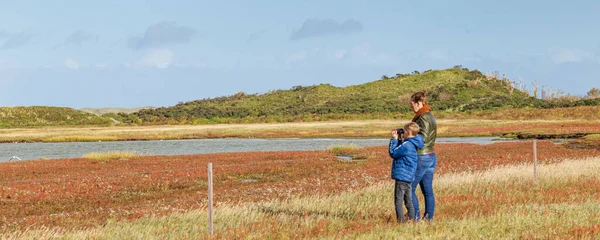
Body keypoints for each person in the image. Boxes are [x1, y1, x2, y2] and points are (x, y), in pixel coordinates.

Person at [409, 90, 438, 221]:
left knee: (409, 188)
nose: (412, 108)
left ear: (419, 103)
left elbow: (423, 139)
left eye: (412, 105)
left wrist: (407, 138)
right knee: (427, 190)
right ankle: (428, 218)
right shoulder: (429, 115)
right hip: (430, 155)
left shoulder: (424, 117)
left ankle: (414, 217)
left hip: (422, 156)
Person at [389, 122, 424, 223]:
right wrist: (400, 139)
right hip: (409, 176)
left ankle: (401, 221)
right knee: (408, 199)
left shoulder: (407, 144)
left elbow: (393, 153)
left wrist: (394, 139)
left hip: (401, 176)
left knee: (398, 200)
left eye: (403, 131)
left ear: (408, 132)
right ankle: (412, 219)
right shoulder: (414, 143)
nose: (402, 133)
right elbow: (401, 149)